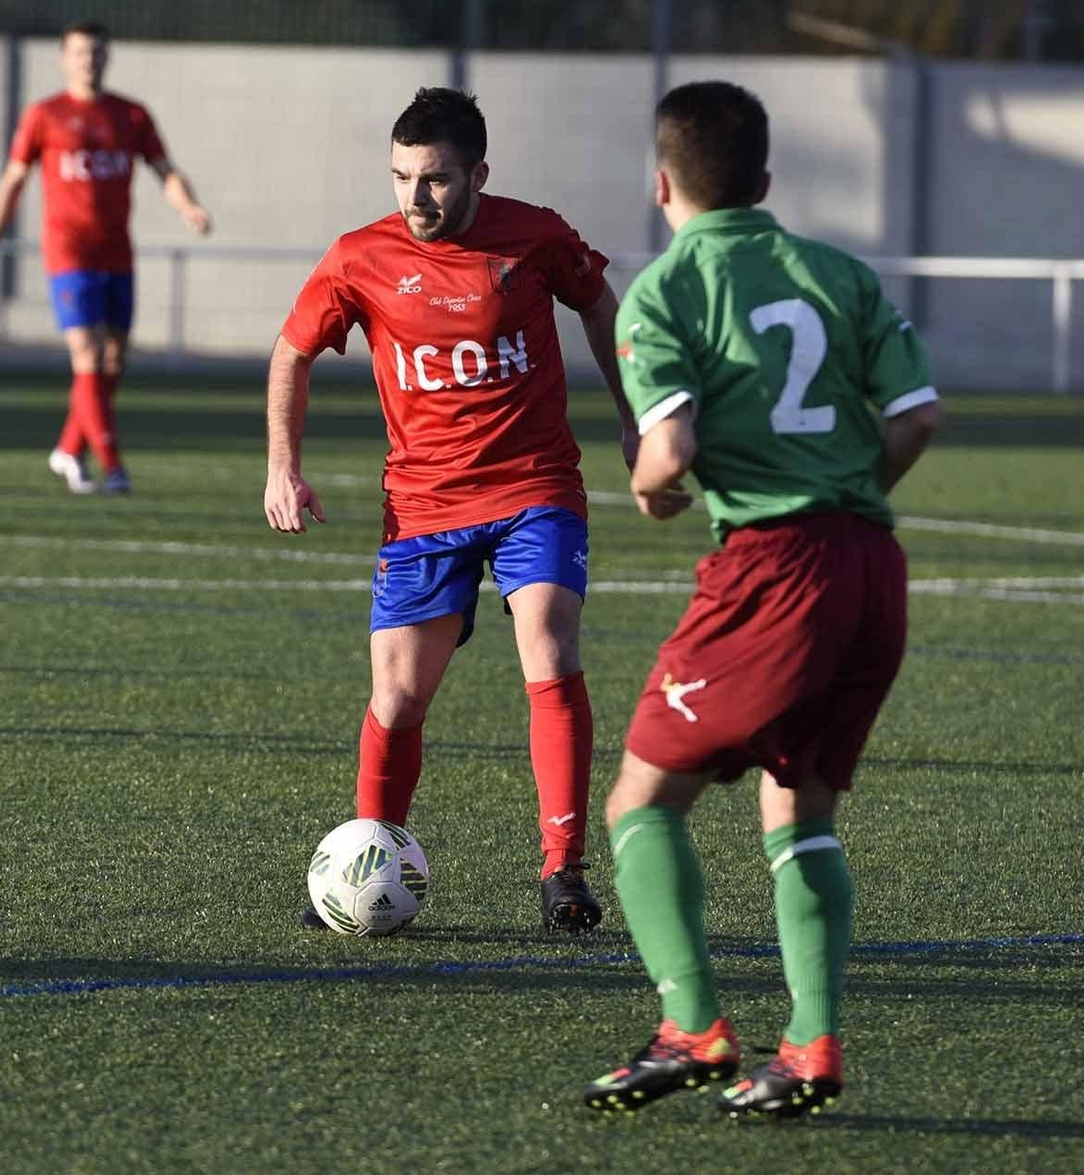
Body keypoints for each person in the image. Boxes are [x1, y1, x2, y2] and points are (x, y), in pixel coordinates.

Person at [582, 80, 940, 1117]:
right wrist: (848, 490)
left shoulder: (666, 288)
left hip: (772, 572)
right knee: (800, 810)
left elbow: (670, 450)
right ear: (765, 181)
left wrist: (652, 491)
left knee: (641, 800)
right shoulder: (836, 272)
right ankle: (811, 1046)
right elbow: (915, 417)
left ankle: (692, 1023)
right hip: (872, 564)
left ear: (662, 185)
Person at [265, 87, 638, 934]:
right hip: (424, 503)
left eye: (433, 179)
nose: (415, 197)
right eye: (401, 178)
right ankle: (370, 852)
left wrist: (632, 414)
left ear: (478, 173)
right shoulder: (360, 257)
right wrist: (282, 468)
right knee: (396, 696)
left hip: (534, 486)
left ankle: (563, 871)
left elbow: (599, 306)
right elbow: (292, 352)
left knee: (548, 640)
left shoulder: (536, 234)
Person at [0, 19, 212, 496]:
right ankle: (113, 465)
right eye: (79, 52)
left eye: (96, 52)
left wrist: (189, 208)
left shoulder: (131, 116)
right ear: (64, 58)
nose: (88, 60)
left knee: (113, 361)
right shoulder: (45, 115)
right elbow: (12, 182)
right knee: (89, 353)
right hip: (68, 252)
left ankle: (69, 448)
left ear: (107, 56)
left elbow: (165, 170)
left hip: (117, 253)